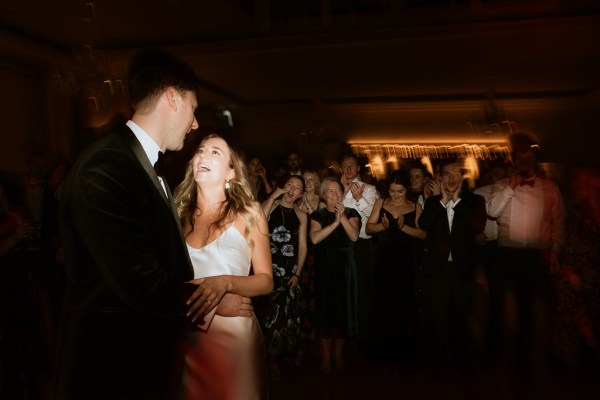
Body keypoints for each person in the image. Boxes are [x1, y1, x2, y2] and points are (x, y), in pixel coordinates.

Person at [54, 49, 250, 400]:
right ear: (172, 98)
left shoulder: (140, 165)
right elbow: (138, 281)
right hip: (111, 367)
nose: (194, 124)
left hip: (141, 360)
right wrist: (213, 303)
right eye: (193, 109)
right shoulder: (106, 167)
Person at [175, 133, 274, 400]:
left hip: (235, 339)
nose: (203, 155)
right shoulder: (177, 215)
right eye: (200, 151)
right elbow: (165, 282)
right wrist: (215, 304)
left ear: (232, 172)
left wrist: (226, 283)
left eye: (215, 152)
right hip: (190, 339)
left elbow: (266, 280)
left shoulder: (250, 213)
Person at [486, 133, 565, 378]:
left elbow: (558, 223)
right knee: (496, 305)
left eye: (528, 157)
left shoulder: (550, 188)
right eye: (519, 157)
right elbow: (492, 211)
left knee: (527, 309)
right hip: (504, 252)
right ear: (513, 160)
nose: (523, 161)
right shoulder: (501, 185)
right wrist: (511, 185)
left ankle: (521, 359)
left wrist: (555, 252)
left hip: (532, 255)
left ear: (534, 159)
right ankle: (492, 354)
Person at [418, 158, 487, 373]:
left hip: (462, 268)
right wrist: (442, 201)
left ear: (463, 176)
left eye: (456, 173)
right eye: (446, 174)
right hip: (438, 270)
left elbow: (477, 226)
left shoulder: (475, 201)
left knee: (463, 315)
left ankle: (464, 360)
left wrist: (455, 202)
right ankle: (439, 362)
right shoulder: (432, 202)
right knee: (438, 317)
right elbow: (423, 224)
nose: (451, 178)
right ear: (440, 177)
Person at [365, 170, 426, 362]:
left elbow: (423, 235)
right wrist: (383, 227)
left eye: (399, 191)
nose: (395, 195)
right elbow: (368, 228)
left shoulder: (415, 207)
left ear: (406, 189)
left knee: (404, 304)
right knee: (383, 303)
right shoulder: (381, 203)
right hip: (384, 261)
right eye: (392, 191)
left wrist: (403, 228)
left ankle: (403, 351)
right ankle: (382, 350)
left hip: (405, 261)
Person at [310, 176, 360, 374]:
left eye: (338, 191)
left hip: (345, 269)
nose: (334, 195)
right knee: (324, 311)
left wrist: (343, 218)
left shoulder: (352, 213)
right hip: (324, 269)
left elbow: (354, 236)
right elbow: (315, 239)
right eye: (330, 192)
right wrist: (334, 223)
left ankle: (338, 354)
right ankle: (325, 354)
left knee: (342, 312)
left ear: (343, 193)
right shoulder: (317, 215)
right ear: (324, 194)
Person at [259, 174, 308, 380]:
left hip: (288, 270)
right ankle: (266, 359)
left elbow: (303, 246)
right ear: (282, 186)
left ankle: (277, 357)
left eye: (297, 188)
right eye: (289, 184)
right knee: (267, 316)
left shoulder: (301, 215)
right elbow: (258, 218)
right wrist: (273, 196)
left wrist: (298, 272)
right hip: (266, 267)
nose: (292, 189)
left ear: (300, 194)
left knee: (285, 317)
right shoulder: (271, 205)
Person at [339, 153, 378, 352]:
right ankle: (343, 338)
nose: (348, 169)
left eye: (351, 165)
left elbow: (374, 216)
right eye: (345, 166)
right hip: (341, 247)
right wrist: (341, 193)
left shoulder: (369, 189)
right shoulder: (336, 190)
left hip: (362, 247)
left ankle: (362, 338)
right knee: (343, 293)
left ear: (358, 169)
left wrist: (358, 198)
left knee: (362, 292)